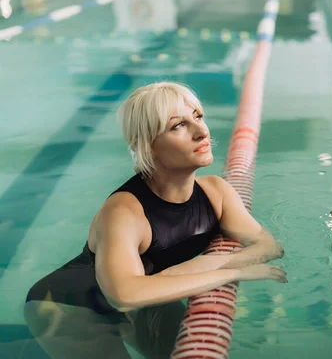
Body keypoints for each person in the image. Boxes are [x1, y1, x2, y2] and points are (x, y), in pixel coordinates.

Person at [24, 82, 287, 359]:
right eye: (178, 126)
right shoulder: (124, 211)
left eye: (198, 116)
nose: (202, 132)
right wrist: (232, 273)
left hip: (147, 297)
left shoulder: (215, 192)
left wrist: (201, 265)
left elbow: (268, 246)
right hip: (69, 307)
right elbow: (124, 294)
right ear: (149, 146)